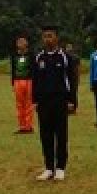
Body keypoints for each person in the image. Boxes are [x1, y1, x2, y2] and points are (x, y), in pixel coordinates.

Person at [32, 25, 78, 181]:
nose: (47, 39)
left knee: (61, 134)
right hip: (44, 102)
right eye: (45, 36)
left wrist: (72, 101)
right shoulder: (39, 57)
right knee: (46, 135)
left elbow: (72, 80)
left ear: (56, 38)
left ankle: (60, 167)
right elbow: (36, 81)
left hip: (60, 100)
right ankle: (48, 167)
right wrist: (35, 100)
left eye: (50, 36)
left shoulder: (65, 57)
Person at [10, 35, 35, 134]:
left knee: (28, 104)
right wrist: (13, 81)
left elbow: (34, 68)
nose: (20, 44)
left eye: (22, 42)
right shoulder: (14, 55)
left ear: (26, 44)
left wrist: (34, 81)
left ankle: (28, 126)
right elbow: (13, 69)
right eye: (18, 42)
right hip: (18, 81)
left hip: (28, 81)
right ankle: (22, 126)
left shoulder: (31, 55)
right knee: (19, 104)